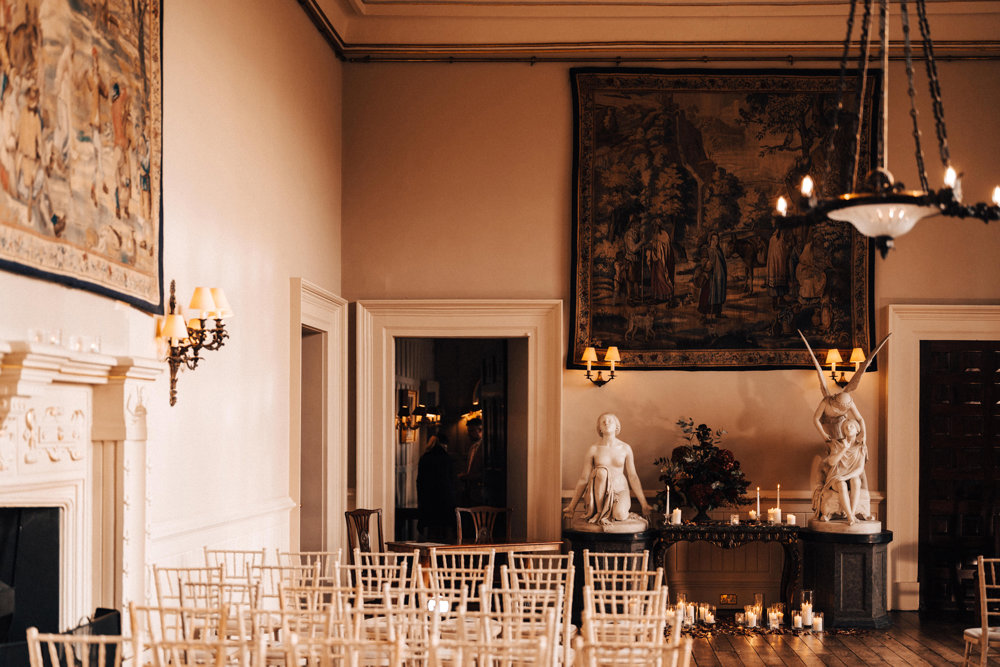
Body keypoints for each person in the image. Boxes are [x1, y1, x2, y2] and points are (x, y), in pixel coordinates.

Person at [563, 413, 652, 527]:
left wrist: (644, 504)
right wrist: (572, 507)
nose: (606, 422)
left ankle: (619, 512)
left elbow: (633, 476)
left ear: (617, 426)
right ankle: (600, 513)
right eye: (603, 421)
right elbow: (584, 478)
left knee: (619, 515)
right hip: (599, 495)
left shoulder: (625, 448)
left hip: (620, 490)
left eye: (610, 421)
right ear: (599, 428)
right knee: (601, 471)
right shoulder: (594, 449)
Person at [416, 432, 458, 542]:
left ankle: (430, 556)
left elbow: (420, 481)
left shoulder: (425, 458)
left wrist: (421, 499)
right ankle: (449, 556)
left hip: (429, 499)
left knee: (432, 530)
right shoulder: (447, 458)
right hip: (446, 498)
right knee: (448, 528)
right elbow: (452, 479)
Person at [696, 232, 728, 320]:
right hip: (710, 277)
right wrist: (707, 264)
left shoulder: (719, 251)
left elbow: (723, 264)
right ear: (709, 240)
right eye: (713, 239)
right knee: (708, 295)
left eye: (717, 239)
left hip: (719, 277)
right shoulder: (706, 250)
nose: (715, 241)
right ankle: (706, 315)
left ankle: (717, 312)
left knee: (719, 294)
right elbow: (704, 263)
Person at [458, 417, 485, 505]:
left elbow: (485, 472)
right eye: (468, 431)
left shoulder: (485, 448)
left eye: (472, 431)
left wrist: (468, 476)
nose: (468, 434)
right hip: (470, 490)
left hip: (481, 491)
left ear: (480, 430)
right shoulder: (472, 447)